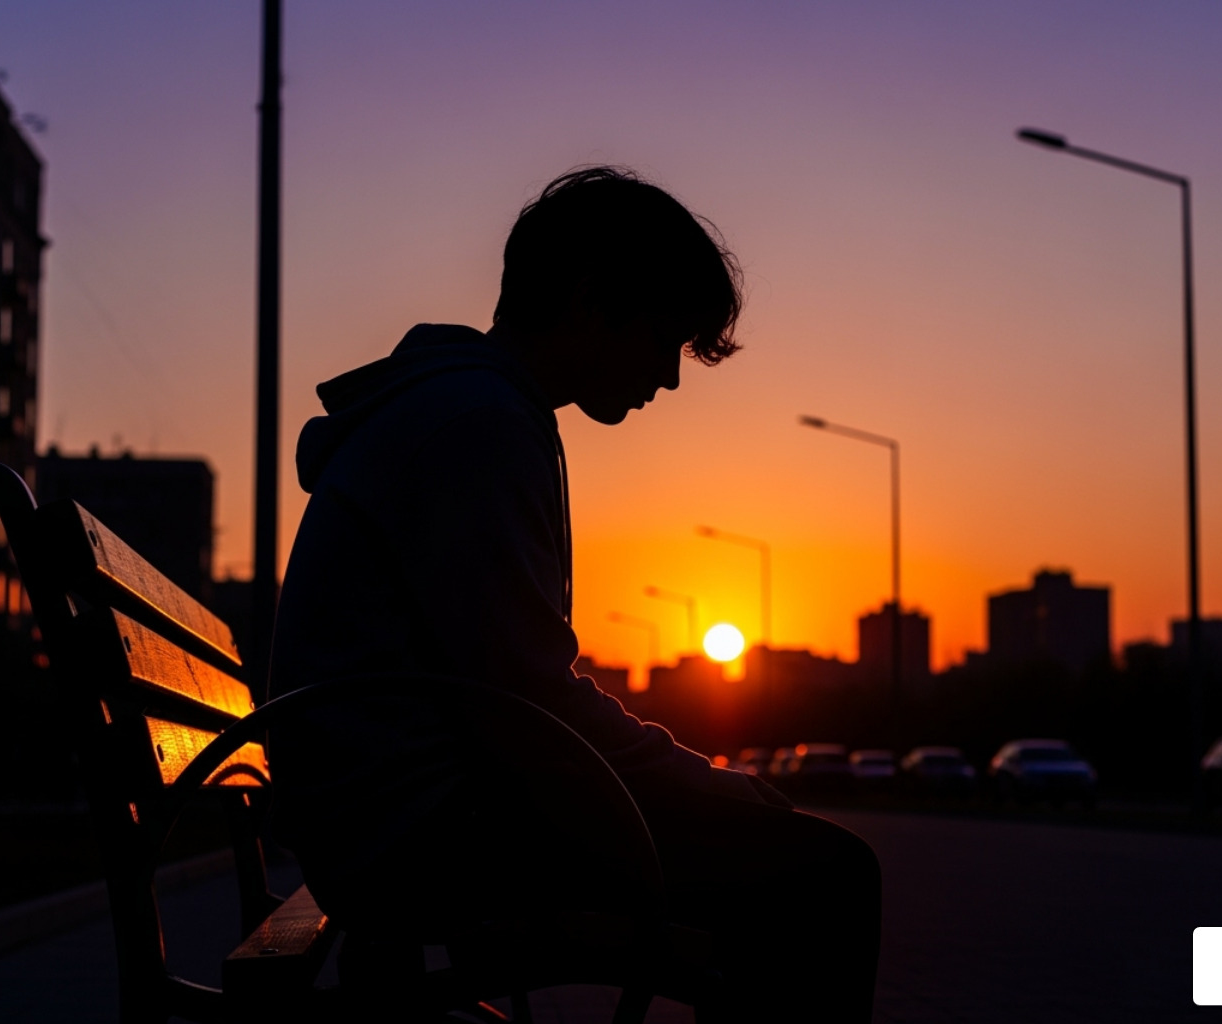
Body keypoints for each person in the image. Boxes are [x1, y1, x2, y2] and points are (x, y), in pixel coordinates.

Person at [268, 167, 880, 1021]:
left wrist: (688, 782)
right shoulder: (476, 423)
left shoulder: (465, 405)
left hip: (384, 814)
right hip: (423, 837)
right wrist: (702, 781)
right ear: (592, 303)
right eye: (665, 339)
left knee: (790, 871)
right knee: (828, 878)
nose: (667, 378)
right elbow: (527, 706)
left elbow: (515, 695)